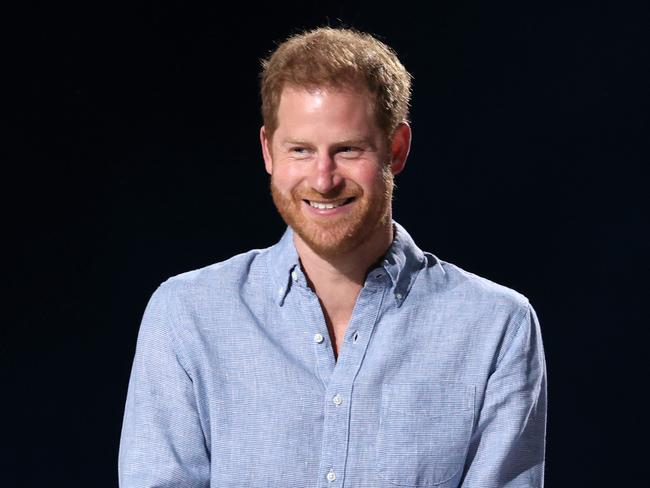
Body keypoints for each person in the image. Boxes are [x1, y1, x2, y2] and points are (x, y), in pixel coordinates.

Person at [118, 27, 547, 488]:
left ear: (396, 149)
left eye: (347, 150)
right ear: (268, 150)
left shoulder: (495, 326)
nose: (323, 179)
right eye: (300, 150)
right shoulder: (187, 314)